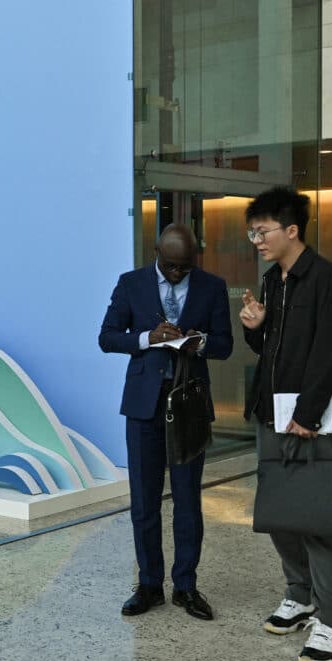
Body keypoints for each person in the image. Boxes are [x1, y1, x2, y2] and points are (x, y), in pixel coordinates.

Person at [239, 186, 332, 661]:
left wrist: (309, 414)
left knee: (317, 517)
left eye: (262, 231)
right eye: (252, 232)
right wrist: (257, 327)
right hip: (272, 411)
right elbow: (272, 352)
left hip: (313, 417)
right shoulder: (273, 282)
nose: (256, 240)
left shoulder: (328, 281)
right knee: (280, 509)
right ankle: (300, 595)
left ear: (293, 230)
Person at [99, 224, 233, 621]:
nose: (178, 273)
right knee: (144, 501)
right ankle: (150, 585)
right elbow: (107, 337)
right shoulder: (130, 284)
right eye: (171, 266)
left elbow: (224, 345)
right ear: (156, 251)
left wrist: (200, 342)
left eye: (185, 268)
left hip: (190, 406)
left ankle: (186, 587)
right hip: (143, 408)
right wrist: (148, 338)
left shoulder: (212, 286)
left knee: (189, 501)